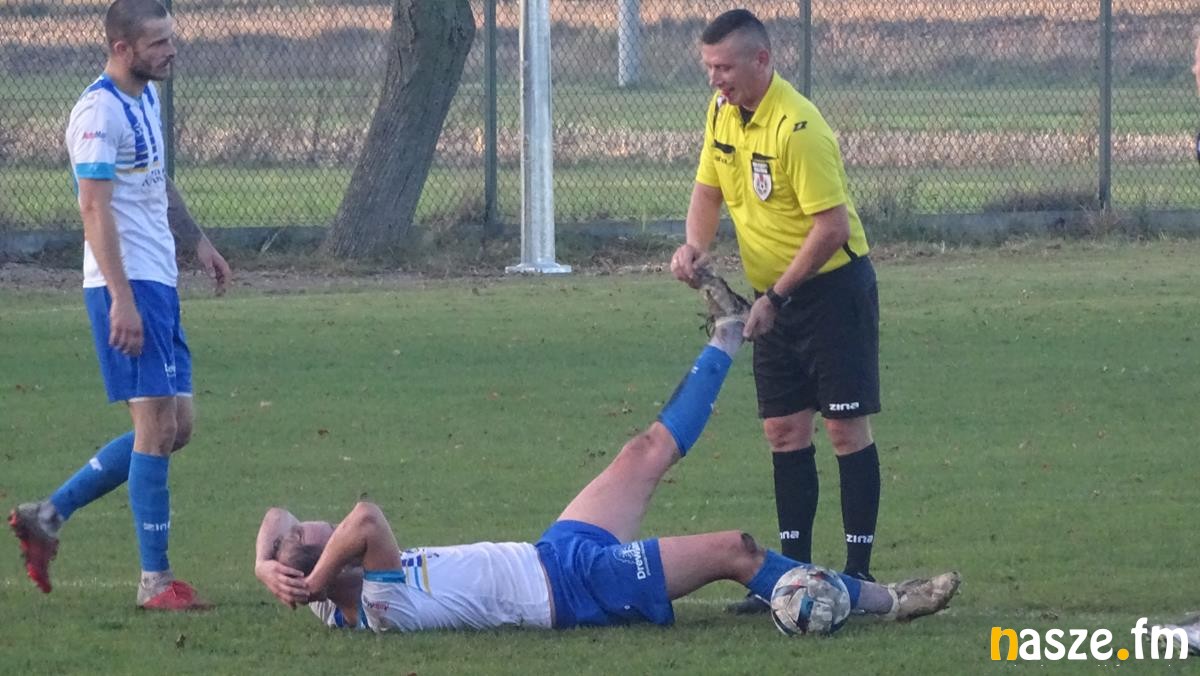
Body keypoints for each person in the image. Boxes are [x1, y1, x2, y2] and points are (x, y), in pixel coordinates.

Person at [254, 271, 960, 632]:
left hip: (551, 553)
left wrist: (268, 566)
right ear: (334, 568)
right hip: (576, 589)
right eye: (323, 538)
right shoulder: (376, 603)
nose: (324, 525)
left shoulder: (328, 599)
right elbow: (367, 518)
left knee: (644, 449)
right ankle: (884, 600)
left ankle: (728, 331)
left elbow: (276, 518)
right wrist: (309, 577)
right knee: (736, 550)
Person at [7, 0, 230, 611]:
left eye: (171, 38)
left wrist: (198, 242)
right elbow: (93, 207)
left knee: (176, 427)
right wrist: (122, 301)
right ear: (121, 48)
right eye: (158, 42)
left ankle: (47, 516)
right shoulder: (97, 112)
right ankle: (155, 581)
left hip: (158, 282)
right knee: (156, 428)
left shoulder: (145, 98)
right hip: (125, 286)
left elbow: (156, 181)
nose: (171, 50)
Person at [669, 9, 883, 613]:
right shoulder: (721, 113)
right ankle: (790, 579)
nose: (715, 79)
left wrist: (777, 297)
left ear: (761, 60)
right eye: (709, 68)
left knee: (844, 428)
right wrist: (695, 245)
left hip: (833, 292)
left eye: (724, 67)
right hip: (773, 296)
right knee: (784, 430)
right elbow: (708, 189)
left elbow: (831, 227)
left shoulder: (798, 127)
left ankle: (858, 576)